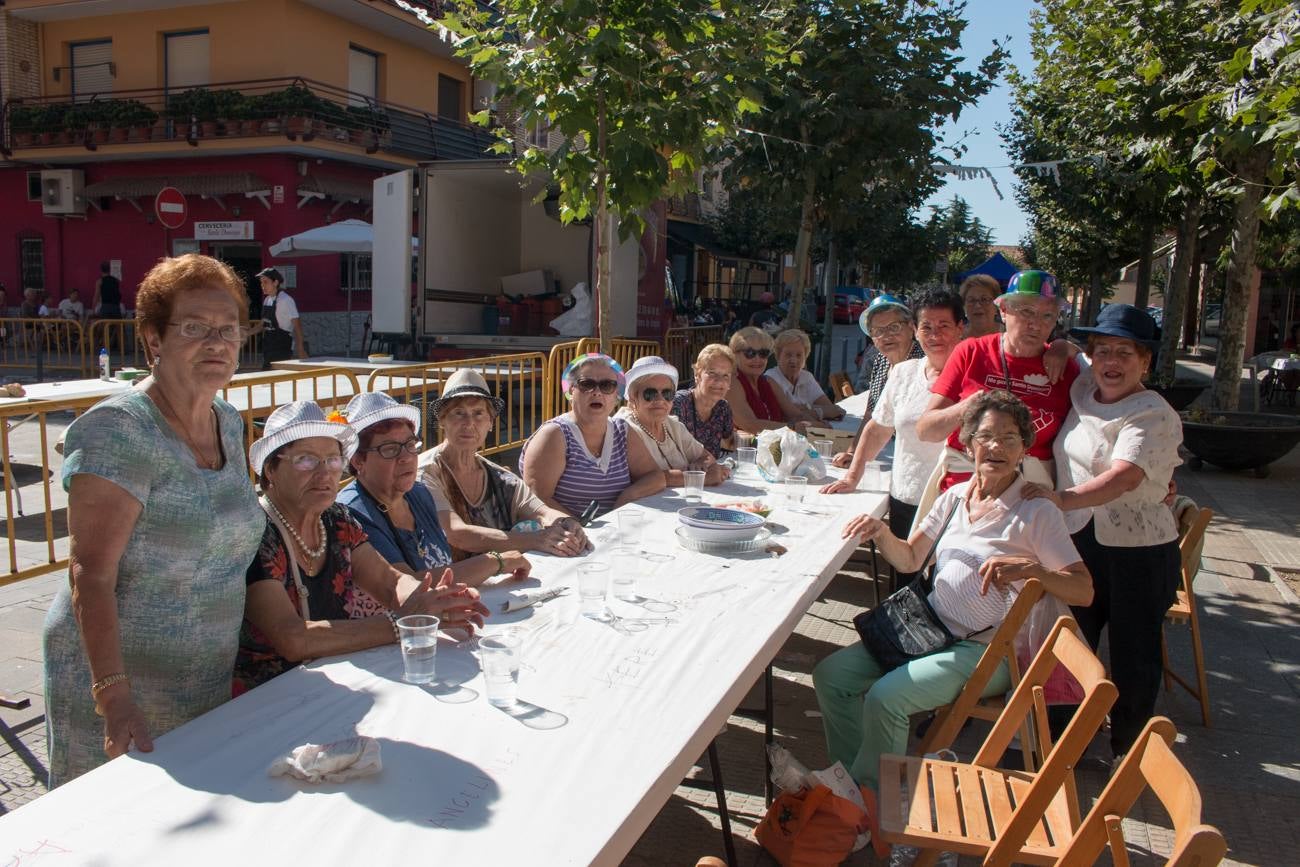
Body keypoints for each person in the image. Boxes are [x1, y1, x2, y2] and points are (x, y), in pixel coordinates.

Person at [43, 253, 264, 786]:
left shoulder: (228, 422)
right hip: (118, 686)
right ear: (153, 340)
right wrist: (114, 698)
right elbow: (89, 574)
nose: (216, 343)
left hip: (203, 676)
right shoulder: (118, 431)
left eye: (228, 329)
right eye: (194, 328)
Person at [813, 390, 1093, 791]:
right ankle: (853, 784)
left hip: (988, 651)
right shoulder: (955, 497)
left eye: (1009, 438)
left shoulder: (1036, 512)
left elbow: (1083, 590)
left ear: (1024, 450)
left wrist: (1032, 571)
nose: (995, 447)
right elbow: (910, 559)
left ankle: (873, 803)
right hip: (927, 631)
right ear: (968, 442)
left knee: (886, 699)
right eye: (986, 437)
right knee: (831, 676)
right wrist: (880, 533)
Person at [235, 401, 490, 695]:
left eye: (332, 460)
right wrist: (404, 623)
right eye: (306, 460)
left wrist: (433, 600)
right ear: (271, 469)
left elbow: (389, 582)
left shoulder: (335, 520)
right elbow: (293, 638)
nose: (324, 473)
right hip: (265, 701)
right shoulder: (255, 533)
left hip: (336, 681)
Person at [1021, 304, 1182, 759]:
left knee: (1134, 655)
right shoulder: (1085, 387)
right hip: (1079, 541)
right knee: (1069, 643)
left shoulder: (1152, 412)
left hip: (1139, 552)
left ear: (1145, 361)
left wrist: (1060, 500)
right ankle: (1058, 747)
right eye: (1104, 350)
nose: (1113, 361)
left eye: (1125, 352)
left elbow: (1126, 475)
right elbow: (1067, 352)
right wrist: (1064, 344)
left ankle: (1126, 756)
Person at [822, 290, 967, 575]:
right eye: (926, 326)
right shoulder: (904, 372)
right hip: (906, 496)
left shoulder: (975, 374)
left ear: (960, 328)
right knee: (906, 589)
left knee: (947, 590)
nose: (934, 334)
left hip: (954, 503)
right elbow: (878, 428)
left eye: (944, 326)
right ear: (915, 329)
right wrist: (853, 475)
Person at [915, 270, 1077, 512]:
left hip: (1028, 504)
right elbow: (926, 430)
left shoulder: (1068, 368)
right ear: (1003, 311)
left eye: (1048, 315)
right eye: (1027, 312)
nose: (1036, 324)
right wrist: (967, 407)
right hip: (964, 498)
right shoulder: (971, 352)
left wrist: (1066, 346)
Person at [338, 390, 533, 579]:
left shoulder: (419, 494)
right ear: (358, 461)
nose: (406, 457)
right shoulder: (353, 513)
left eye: (409, 445)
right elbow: (406, 588)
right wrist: (495, 561)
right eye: (390, 449)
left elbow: (444, 569)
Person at [422, 369, 589, 557]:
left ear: (490, 423)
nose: (469, 423)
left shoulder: (501, 478)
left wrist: (567, 522)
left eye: (478, 414)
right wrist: (537, 539)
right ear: (442, 420)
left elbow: (542, 512)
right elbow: (456, 534)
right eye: (458, 413)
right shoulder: (426, 472)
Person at [518, 353, 666, 516]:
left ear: (616, 396)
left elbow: (655, 477)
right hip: (565, 534)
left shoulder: (621, 431)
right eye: (586, 384)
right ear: (571, 390)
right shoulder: (554, 435)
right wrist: (579, 530)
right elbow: (536, 500)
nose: (597, 392)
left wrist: (627, 496)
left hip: (616, 530)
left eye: (607, 386)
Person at [832, 295, 924, 469]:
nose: (886, 336)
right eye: (877, 331)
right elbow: (871, 413)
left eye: (894, 327)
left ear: (911, 328)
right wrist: (853, 453)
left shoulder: (924, 361)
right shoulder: (880, 360)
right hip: (890, 448)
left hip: (918, 455)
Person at [617, 355, 729, 485]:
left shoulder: (673, 425)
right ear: (633, 397)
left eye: (667, 394)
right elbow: (648, 478)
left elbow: (706, 457)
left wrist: (701, 463)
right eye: (650, 394)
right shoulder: (624, 427)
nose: (660, 400)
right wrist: (700, 478)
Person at [727, 327, 819, 435]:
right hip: (744, 449)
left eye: (763, 353)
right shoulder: (731, 382)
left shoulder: (768, 381)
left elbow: (796, 415)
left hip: (775, 446)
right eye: (750, 353)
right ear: (735, 354)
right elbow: (750, 425)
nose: (757, 359)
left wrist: (821, 426)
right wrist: (793, 428)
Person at [672, 343, 736, 458]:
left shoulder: (723, 407)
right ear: (697, 375)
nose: (719, 381)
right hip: (683, 473)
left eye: (725, 375)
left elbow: (730, 443)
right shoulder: (679, 403)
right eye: (712, 373)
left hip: (712, 472)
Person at [765, 329, 845, 421]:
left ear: (805, 357)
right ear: (778, 356)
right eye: (788, 355)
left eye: (799, 355)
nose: (793, 360)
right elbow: (788, 416)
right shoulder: (771, 378)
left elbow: (830, 408)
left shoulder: (806, 377)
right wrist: (820, 411)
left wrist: (806, 408)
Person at [248, 267, 307, 368]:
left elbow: (297, 326)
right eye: (261, 283)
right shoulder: (267, 300)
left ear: (275, 282)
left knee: (278, 378)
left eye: (265, 282)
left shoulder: (286, 300)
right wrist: (247, 333)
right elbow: (263, 324)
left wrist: (300, 348)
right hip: (269, 344)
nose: (262, 285)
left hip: (282, 346)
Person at [959, 274, 1003, 338]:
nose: (978, 305)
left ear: (996, 305)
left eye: (984, 299)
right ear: (964, 307)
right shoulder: (955, 336)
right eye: (971, 300)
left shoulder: (1009, 335)